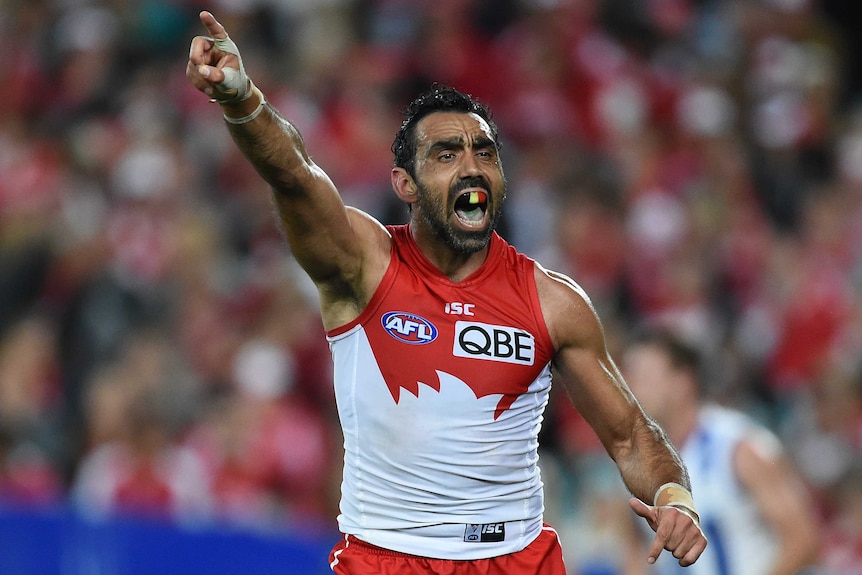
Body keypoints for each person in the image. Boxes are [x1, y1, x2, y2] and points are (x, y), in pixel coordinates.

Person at [185, 11, 707, 574]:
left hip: (516, 560)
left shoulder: (552, 302)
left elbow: (631, 436)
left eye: (485, 153)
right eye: (446, 155)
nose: (471, 167)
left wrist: (675, 499)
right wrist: (241, 101)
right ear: (404, 184)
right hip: (387, 558)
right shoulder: (363, 264)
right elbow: (294, 173)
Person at [620, 327, 821, 575]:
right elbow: (633, 550)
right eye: (628, 376)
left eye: (645, 376)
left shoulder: (737, 447)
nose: (632, 387)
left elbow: (802, 540)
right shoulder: (635, 462)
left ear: (683, 381)